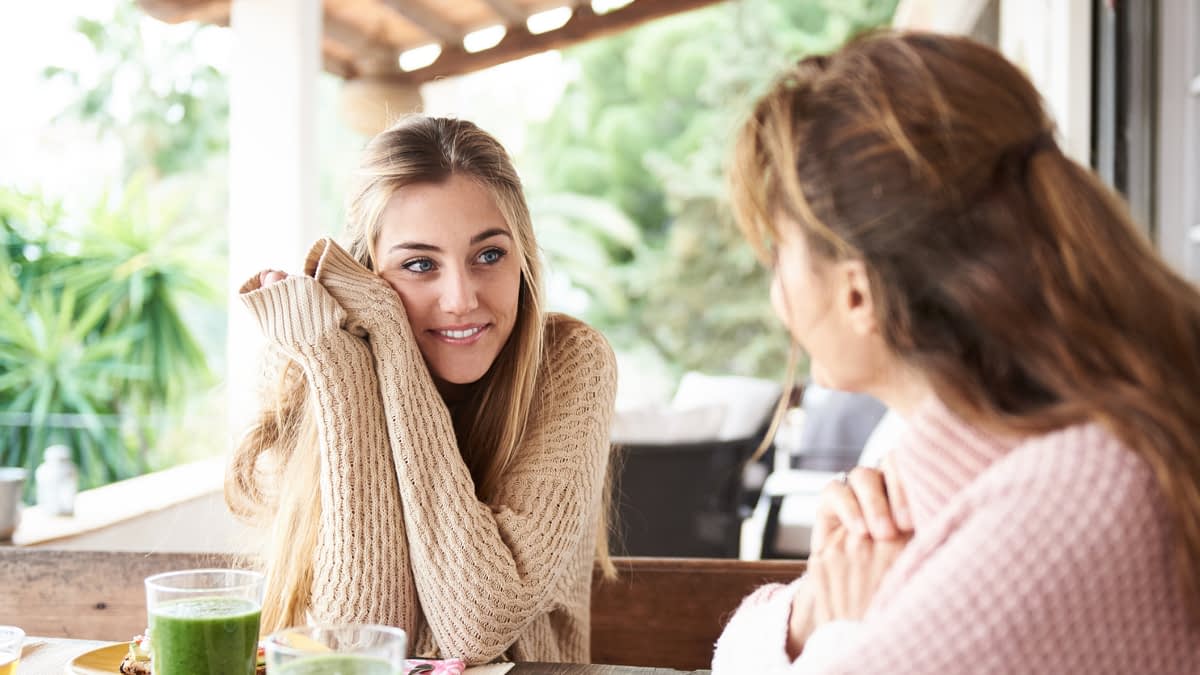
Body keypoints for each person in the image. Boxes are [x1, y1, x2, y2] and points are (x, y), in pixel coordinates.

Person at [713, 31, 1200, 673]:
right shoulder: (943, 456)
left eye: (779, 254)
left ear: (858, 294)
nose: (776, 293)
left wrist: (844, 632)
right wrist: (811, 616)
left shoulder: (1071, 497)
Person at [225, 115, 618, 664]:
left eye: (489, 255)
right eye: (418, 264)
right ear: (366, 275)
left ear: (523, 256)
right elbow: (360, 645)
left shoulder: (568, 364)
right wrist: (344, 368)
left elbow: (477, 626)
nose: (460, 298)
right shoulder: (318, 365)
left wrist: (388, 332)